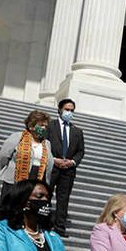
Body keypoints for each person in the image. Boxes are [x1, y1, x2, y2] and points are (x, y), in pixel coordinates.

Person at [47, 100, 85, 236]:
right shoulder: (50, 126)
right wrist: (54, 159)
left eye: (72, 110)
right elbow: (44, 144)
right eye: (67, 109)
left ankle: (59, 227)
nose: (69, 112)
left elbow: (81, 151)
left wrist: (72, 162)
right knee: (46, 195)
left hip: (68, 171)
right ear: (59, 110)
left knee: (63, 199)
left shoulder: (77, 131)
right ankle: (43, 223)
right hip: (51, 167)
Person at [0, 109, 52, 200]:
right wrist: (9, 167)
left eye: (46, 126)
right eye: (41, 125)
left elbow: (49, 164)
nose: (44, 128)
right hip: (14, 179)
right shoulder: (17, 137)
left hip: (35, 179)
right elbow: (4, 156)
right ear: (31, 126)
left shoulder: (47, 143)